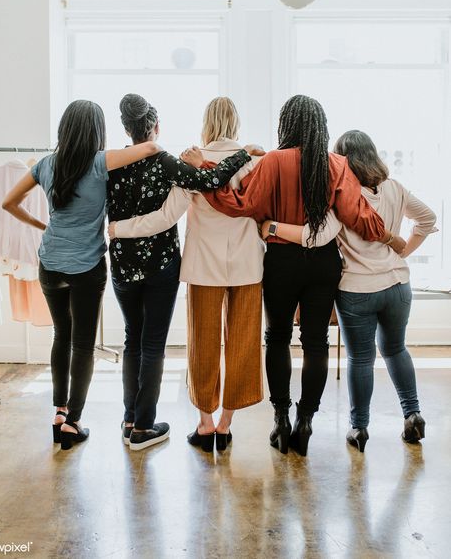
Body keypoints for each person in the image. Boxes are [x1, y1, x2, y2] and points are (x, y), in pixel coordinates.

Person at [203, 95, 404, 456]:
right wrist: (385, 234)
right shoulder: (336, 164)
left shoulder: (272, 162)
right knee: (315, 343)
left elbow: (245, 204)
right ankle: (306, 420)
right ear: (320, 125)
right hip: (322, 264)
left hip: (281, 260)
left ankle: (280, 418)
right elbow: (356, 213)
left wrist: (208, 180)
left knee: (277, 337)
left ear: (286, 124)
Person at [262, 130, 437, 452]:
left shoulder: (344, 196)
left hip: (358, 289)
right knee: (396, 349)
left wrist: (271, 227)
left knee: (360, 359)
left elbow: (315, 237)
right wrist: (403, 253)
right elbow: (427, 219)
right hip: (398, 284)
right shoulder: (395, 188)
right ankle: (412, 413)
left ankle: (359, 428)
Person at [108, 97, 265, 452]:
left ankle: (205, 424)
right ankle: (226, 425)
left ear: (206, 122)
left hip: (204, 266)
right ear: (236, 122)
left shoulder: (189, 159)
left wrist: (118, 228)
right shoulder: (254, 158)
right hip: (247, 265)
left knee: (203, 344)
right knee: (242, 345)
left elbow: (167, 217)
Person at [2, 100, 160, 450]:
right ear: (96, 131)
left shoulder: (46, 163)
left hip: (50, 263)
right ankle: (74, 420)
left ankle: (59, 412)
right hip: (87, 267)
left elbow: (8, 203)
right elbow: (150, 147)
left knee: (62, 335)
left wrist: (42, 225)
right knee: (83, 345)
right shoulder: (100, 162)